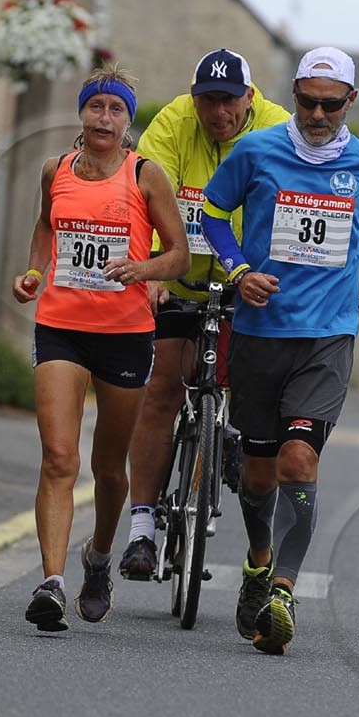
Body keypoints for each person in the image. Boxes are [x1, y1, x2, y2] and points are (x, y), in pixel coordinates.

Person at [198, 47, 359, 654]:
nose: (318, 114)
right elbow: (214, 213)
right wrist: (239, 269)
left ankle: (283, 591)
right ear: (293, 93)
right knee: (258, 475)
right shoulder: (257, 150)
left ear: (351, 101)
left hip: (327, 336)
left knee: (298, 460)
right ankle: (258, 561)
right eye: (307, 101)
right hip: (260, 333)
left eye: (331, 104)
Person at [12, 65, 191, 631]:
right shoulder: (56, 170)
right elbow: (47, 227)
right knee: (58, 458)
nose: (104, 118)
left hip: (125, 335)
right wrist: (34, 272)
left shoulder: (145, 176)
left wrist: (142, 269)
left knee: (109, 469)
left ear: (127, 121)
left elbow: (179, 255)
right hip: (60, 326)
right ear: (82, 113)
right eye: (96, 107)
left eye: (116, 110)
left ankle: (98, 559)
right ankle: (52, 582)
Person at [116, 49, 290, 583]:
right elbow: (141, 199)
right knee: (162, 391)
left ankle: (231, 432)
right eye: (208, 101)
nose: (219, 113)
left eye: (229, 101)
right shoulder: (173, 122)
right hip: (178, 274)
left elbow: (296, 207)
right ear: (194, 99)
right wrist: (150, 272)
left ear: (249, 97)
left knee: (253, 383)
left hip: (249, 278)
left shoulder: (279, 127)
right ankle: (141, 530)